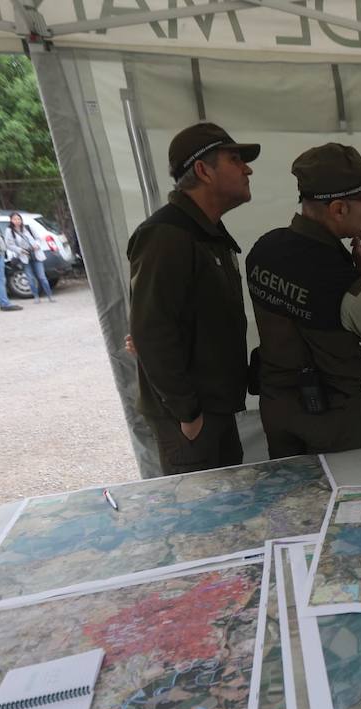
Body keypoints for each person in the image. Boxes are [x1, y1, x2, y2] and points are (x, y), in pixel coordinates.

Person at [246, 143, 361, 458]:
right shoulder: (348, 284)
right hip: (331, 419)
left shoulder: (263, 249)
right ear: (338, 209)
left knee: (290, 498)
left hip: (277, 407)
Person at [127, 121, 259, 475]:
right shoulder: (166, 235)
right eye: (234, 159)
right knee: (202, 517)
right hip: (191, 417)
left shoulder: (207, 232)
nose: (247, 169)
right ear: (203, 170)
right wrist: (188, 414)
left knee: (228, 509)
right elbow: (151, 331)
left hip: (215, 408)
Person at [5, 212, 56, 303]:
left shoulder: (28, 227)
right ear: (11, 220)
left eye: (18, 219)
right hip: (24, 256)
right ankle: (36, 297)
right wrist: (20, 250)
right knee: (30, 277)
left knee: (42, 277)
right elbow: (9, 244)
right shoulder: (9, 231)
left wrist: (36, 245)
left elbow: (38, 238)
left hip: (35, 254)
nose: (17, 221)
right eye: (14, 219)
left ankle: (50, 295)